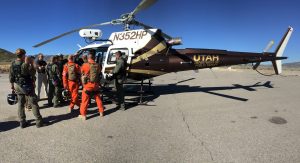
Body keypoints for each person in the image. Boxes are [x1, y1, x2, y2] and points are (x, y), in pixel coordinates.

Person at [9, 48, 44, 128]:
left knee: (20, 104)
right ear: (23, 55)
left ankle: (22, 121)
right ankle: (39, 121)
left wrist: (12, 85)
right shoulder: (26, 63)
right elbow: (32, 74)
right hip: (27, 86)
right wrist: (31, 64)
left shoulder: (13, 63)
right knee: (33, 103)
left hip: (17, 85)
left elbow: (11, 76)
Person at [79, 49, 104, 120]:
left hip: (88, 86)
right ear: (94, 57)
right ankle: (101, 112)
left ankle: (83, 115)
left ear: (88, 57)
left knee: (84, 101)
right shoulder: (98, 65)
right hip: (95, 85)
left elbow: (82, 73)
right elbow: (99, 73)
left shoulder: (85, 65)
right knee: (98, 99)